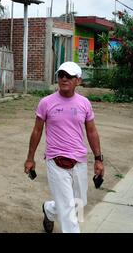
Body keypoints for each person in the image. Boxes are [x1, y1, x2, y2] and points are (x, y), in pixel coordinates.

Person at [24, 62, 104, 233]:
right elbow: (37, 131)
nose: (64, 78)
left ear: (78, 80)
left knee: (79, 204)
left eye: (69, 76)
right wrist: (30, 158)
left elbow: (92, 131)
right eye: (61, 75)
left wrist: (98, 159)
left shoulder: (84, 103)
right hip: (56, 160)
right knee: (69, 213)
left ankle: (50, 209)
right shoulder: (46, 102)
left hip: (79, 160)